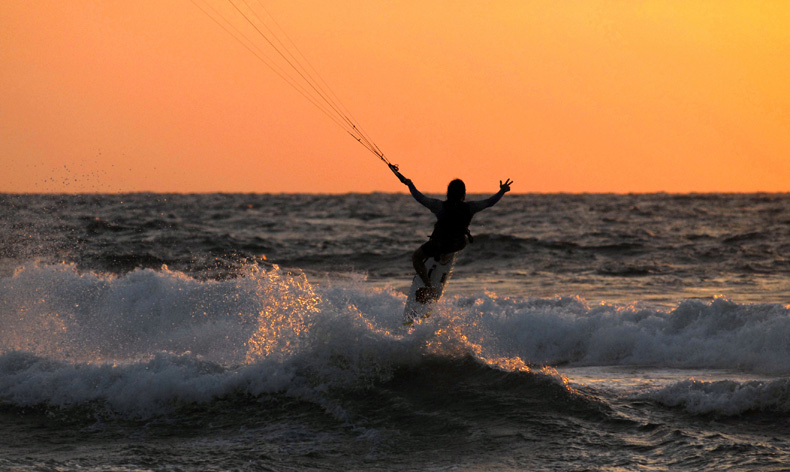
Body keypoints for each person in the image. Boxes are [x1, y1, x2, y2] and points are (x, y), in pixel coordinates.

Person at [389, 164, 513, 301]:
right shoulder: (470, 208)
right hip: (457, 245)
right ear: (463, 194)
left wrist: (410, 184)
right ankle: (444, 257)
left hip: (439, 245)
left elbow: (420, 198)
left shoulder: (439, 206)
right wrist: (502, 191)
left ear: (448, 192)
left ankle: (428, 286)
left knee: (417, 257)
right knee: (452, 242)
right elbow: (490, 202)